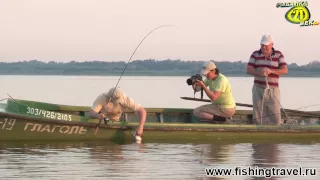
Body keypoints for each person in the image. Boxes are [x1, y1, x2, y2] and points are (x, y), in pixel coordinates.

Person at [246, 34, 288, 125]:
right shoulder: (255, 54)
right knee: (258, 114)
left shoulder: (278, 55)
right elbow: (249, 70)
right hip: (258, 88)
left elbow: (284, 70)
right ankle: (259, 131)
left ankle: (276, 130)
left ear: (272, 44)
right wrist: (260, 73)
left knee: (275, 114)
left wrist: (271, 71)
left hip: (273, 89)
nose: (263, 47)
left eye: (266, 45)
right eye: (262, 44)